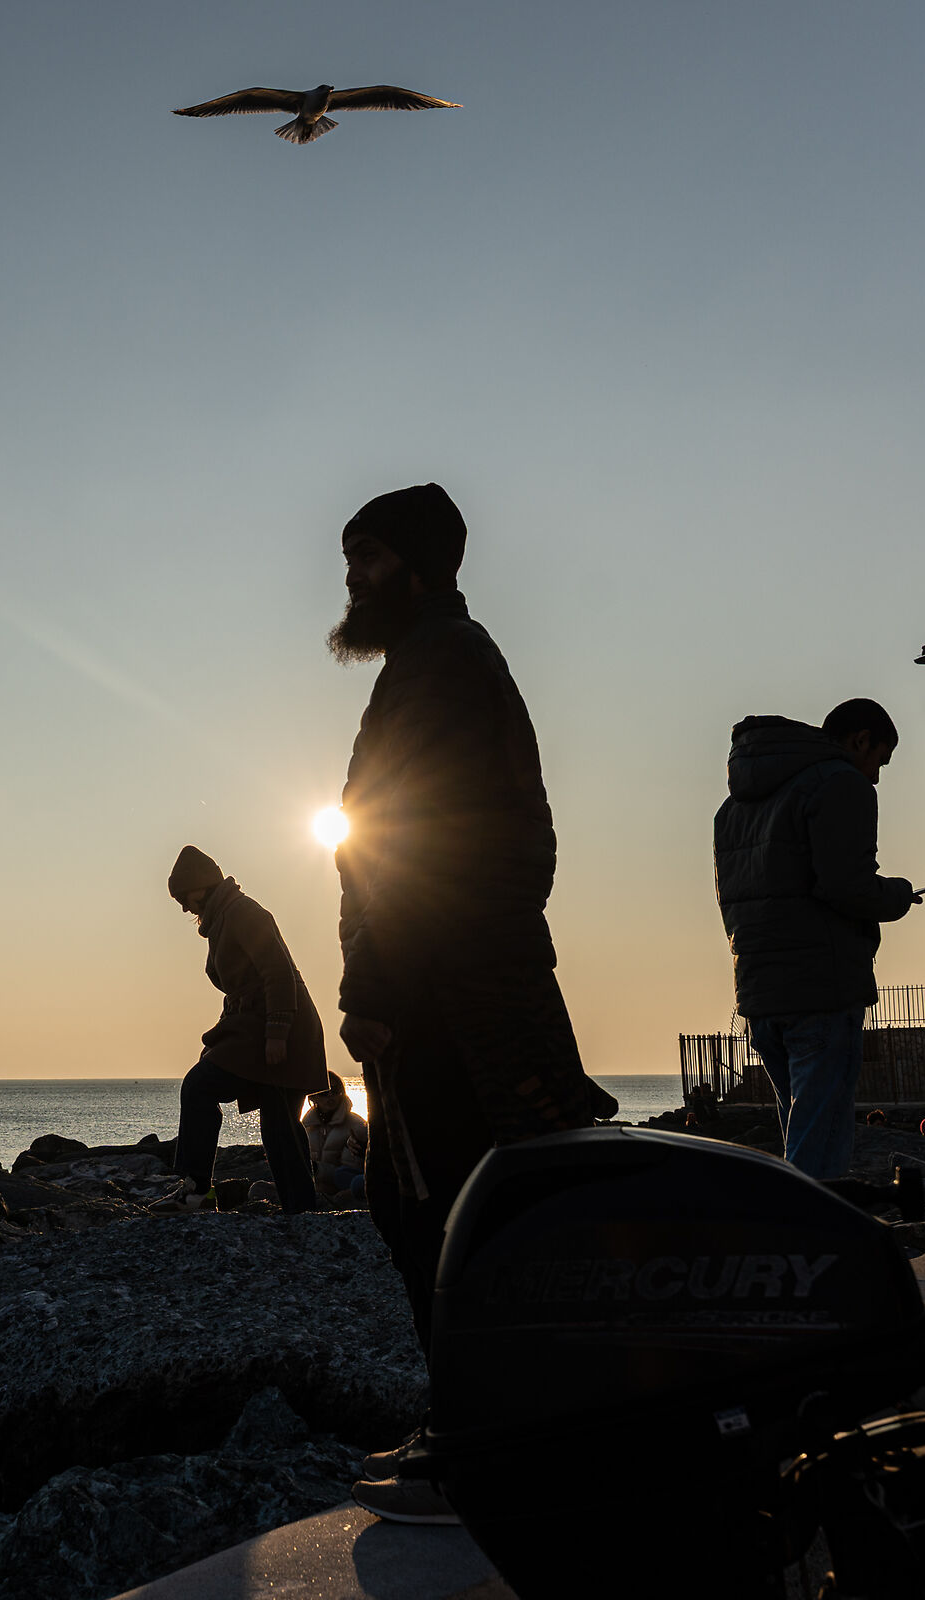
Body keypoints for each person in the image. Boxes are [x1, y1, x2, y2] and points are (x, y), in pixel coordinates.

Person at [325, 482, 600, 1526]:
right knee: (441, 1209)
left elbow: (409, 835)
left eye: (367, 559)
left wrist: (375, 990)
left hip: (456, 997)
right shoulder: (432, 661)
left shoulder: (442, 662)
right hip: (463, 983)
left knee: (441, 1211)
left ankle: (489, 1448)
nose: (352, 580)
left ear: (421, 564)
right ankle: (488, 1426)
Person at [714, 700, 924, 1180]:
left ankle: (791, 1236)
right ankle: (813, 1244)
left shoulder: (734, 806)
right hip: (822, 986)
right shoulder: (839, 782)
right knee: (820, 1143)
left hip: (759, 990)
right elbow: (844, 885)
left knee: (798, 1132)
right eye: (879, 761)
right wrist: (897, 894)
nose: (874, 777)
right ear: (861, 740)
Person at [165, 845, 325, 1214]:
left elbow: (279, 973)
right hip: (255, 1025)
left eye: (183, 897)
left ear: (201, 884)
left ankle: (196, 1191)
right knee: (278, 1124)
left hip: (282, 1025)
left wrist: (277, 1033)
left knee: (204, 1088)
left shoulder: (243, 913)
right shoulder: (222, 918)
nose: (184, 907)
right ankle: (300, 1211)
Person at [303, 1073, 370, 1200]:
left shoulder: (356, 1125)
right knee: (259, 1188)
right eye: (324, 1091)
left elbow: (352, 1169)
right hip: (312, 1186)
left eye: (335, 1091)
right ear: (313, 1097)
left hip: (340, 1187)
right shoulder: (306, 1127)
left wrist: (316, 1169)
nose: (330, 1096)